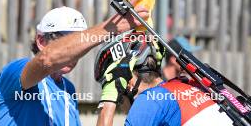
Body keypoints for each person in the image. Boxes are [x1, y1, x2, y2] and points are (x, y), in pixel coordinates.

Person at [0, 0, 149, 126]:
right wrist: (109, 29)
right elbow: (46, 59)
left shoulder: (69, 89)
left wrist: (109, 98)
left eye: (78, 44)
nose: (75, 52)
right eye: (66, 40)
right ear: (41, 41)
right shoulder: (15, 71)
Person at [95, 32, 233, 126]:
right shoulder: (192, 84)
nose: (121, 106)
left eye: (119, 100)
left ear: (129, 83)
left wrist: (108, 100)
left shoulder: (149, 101)